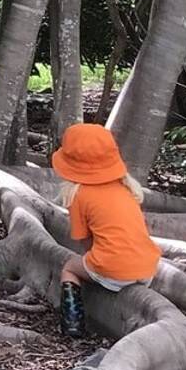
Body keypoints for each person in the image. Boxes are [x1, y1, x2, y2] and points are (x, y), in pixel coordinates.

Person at [52, 123, 160, 338]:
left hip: (112, 268)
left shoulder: (79, 195)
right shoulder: (126, 189)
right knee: (111, 266)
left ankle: (72, 325)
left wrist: (97, 263)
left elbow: (84, 241)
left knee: (70, 268)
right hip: (148, 267)